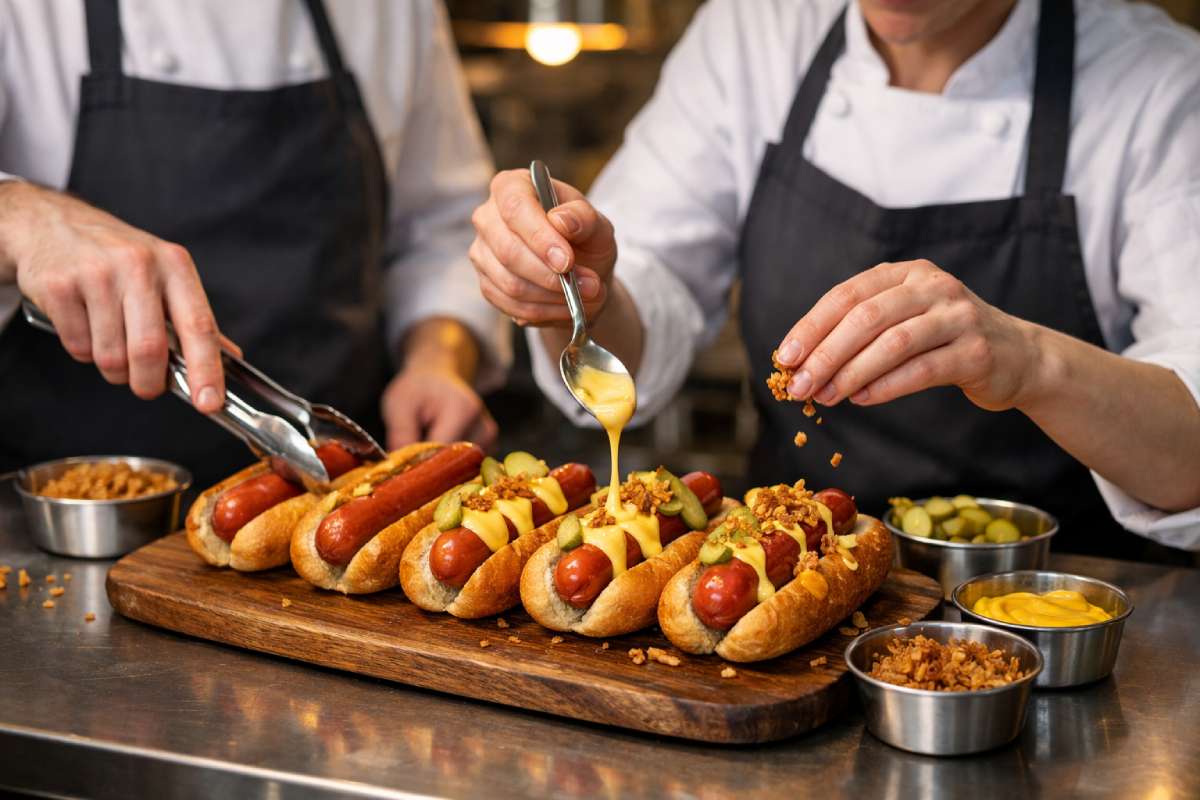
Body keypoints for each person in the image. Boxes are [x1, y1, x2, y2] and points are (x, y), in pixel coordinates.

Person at [468, 0, 1200, 557]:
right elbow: (641, 314)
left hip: (1061, 602)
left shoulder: (1160, 84)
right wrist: (573, 295)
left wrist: (1031, 363)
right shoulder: (757, 31)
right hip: (788, 561)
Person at [0, 0, 507, 486]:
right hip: (55, 518)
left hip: (341, 482)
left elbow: (441, 225)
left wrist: (437, 360)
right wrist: (24, 217)